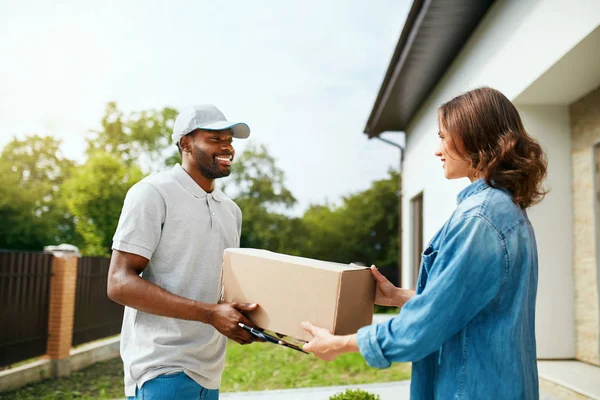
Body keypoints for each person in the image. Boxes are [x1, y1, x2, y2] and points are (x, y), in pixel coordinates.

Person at [302, 87, 547, 399]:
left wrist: (338, 344)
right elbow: (470, 302)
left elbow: (425, 328)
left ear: (474, 137)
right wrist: (400, 296)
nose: (437, 149)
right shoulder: (505, 210)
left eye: (443, 136)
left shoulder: (479, 220)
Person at [107, 104, 258, 400]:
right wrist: (210, 314)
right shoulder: (153, 193)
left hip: (210, 371)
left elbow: (222, 289)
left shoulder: (231, 211)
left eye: (229, 140)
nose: (226, 147)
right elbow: (119, 283)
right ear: (186, 143)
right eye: (215, 139)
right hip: (161, 368)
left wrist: (251, 320)